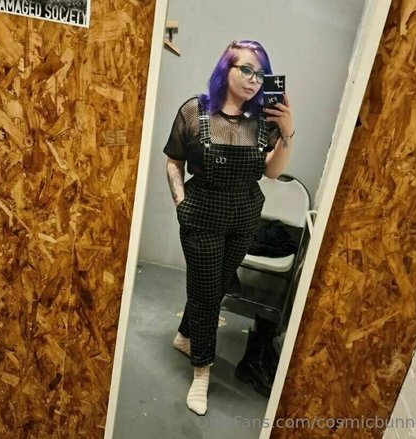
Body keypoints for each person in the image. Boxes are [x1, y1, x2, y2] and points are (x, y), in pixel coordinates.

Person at [163, 40, 294, 416]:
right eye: (246, 69)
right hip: (201, 215)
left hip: (244, 217)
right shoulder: (194, 111)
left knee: (217, 286)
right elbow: (173, 162)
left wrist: (287, 133)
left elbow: (272, 172)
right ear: (227, 69)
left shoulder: (264, 120)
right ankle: (202, 370)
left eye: (261, 74)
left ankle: (185, 335)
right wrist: (181, 203)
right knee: (206, 296)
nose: (254, 79)